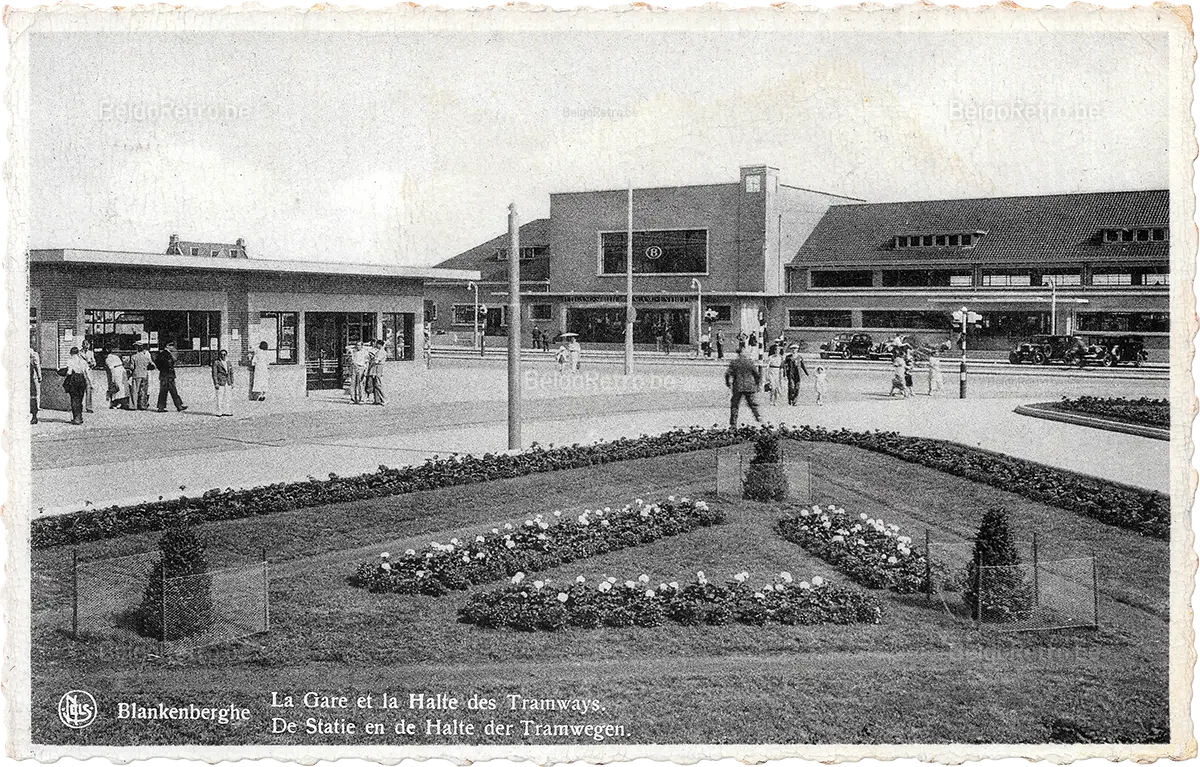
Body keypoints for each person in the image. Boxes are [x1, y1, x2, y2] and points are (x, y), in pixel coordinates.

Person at [725, 347, 763, 427]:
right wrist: (757, 384)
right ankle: (758, 416)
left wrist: (728, 383)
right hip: (749, 386)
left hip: (738, 386)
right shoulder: (749, 362)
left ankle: (733, 422)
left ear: (738, 354)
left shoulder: (734, 363)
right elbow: (756, 374)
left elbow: (727, 374)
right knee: (752, 403)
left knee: (735, 405)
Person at [60, 347, 91, 425]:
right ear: (78, 353)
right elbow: (87, 373)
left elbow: (69, 372)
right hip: (82, 379)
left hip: (74, 379)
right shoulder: (83, 361)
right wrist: (90, 383)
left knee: (74, 399)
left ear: (71, 353)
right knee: (80, 398)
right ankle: (80, 418)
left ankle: (76, 418)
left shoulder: (70, 361)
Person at [154, 342, 188, 412]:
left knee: (163, 391)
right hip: (169, 375)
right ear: (167, 346)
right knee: (173, 391)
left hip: (163, 375)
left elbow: (157, 362)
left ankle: (161, 407)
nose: (172, 347)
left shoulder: (160, 354)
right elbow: (170, 363)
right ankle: (179, 406)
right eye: (171, 345)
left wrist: (161, 369)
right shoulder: (168, 354)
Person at [129, 342, 154, 410]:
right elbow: (152, 364)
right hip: (145, 374)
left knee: (135, 390)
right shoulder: (146, 356)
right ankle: (143, 405)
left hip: (136, 374)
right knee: (143, 390)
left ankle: (134, 405)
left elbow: (132, 367)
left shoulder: (134, 357)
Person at [367, 339, 387, 405]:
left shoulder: (382, 352)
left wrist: (373, 358)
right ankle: (377, 400)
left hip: (378, 367)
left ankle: (384, 399)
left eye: (377, 344)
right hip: (375, 368)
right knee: (375, 384)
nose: (375, 345)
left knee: (378, 384)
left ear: (379, 345)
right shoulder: (378, 351)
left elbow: (377, 361)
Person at [80, 339, 97, 413]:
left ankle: (89, 407)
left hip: (89, 372)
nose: (86, 346)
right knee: (80, 390)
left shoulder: (91, 353)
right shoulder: (79, 353)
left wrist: (92, 364)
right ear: (82, 345)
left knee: (89, 389)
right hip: (82, 372)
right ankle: (79, 406)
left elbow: (94, 362)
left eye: (87, 345)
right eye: (85, 345)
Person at [30, 349, 41, 425]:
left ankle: (34, 416)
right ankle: (34, 416)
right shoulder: (33, 353)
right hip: (31, 378)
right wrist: (39, 376)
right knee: (33, 397)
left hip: (29, 379)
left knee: (32, 397)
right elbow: (37, 366)